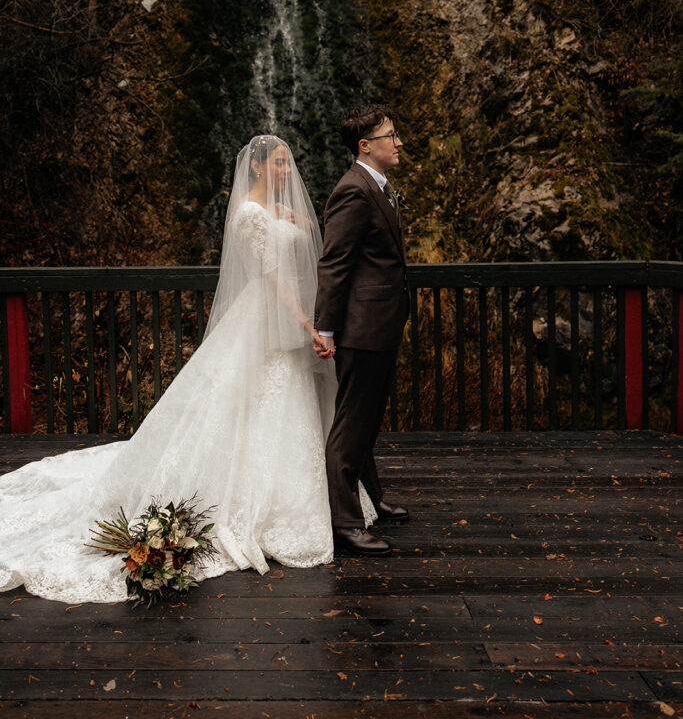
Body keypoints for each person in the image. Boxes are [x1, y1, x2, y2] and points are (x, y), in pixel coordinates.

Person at [0, 136, 375, 604]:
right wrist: (306, 322)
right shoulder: (249, 216)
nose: (286, 172)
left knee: (290, 403)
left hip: (290, 318)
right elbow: (273, 275)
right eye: (279, 164)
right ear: (257, 168)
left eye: (288, 164)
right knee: (251, 402)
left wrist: (296, 223)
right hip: (270, 317)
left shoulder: (276, 212)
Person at [314, 105, 411, 557]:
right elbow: (335, 264)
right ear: (365, 146)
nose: (398, 142)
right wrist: (326, 329)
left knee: (368, 421)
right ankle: (345, 523)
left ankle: (372, 500)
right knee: (351, 427)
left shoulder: (379, 188)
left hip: (381, 324)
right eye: (391, 135)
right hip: (360, 328)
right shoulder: (353, 191)